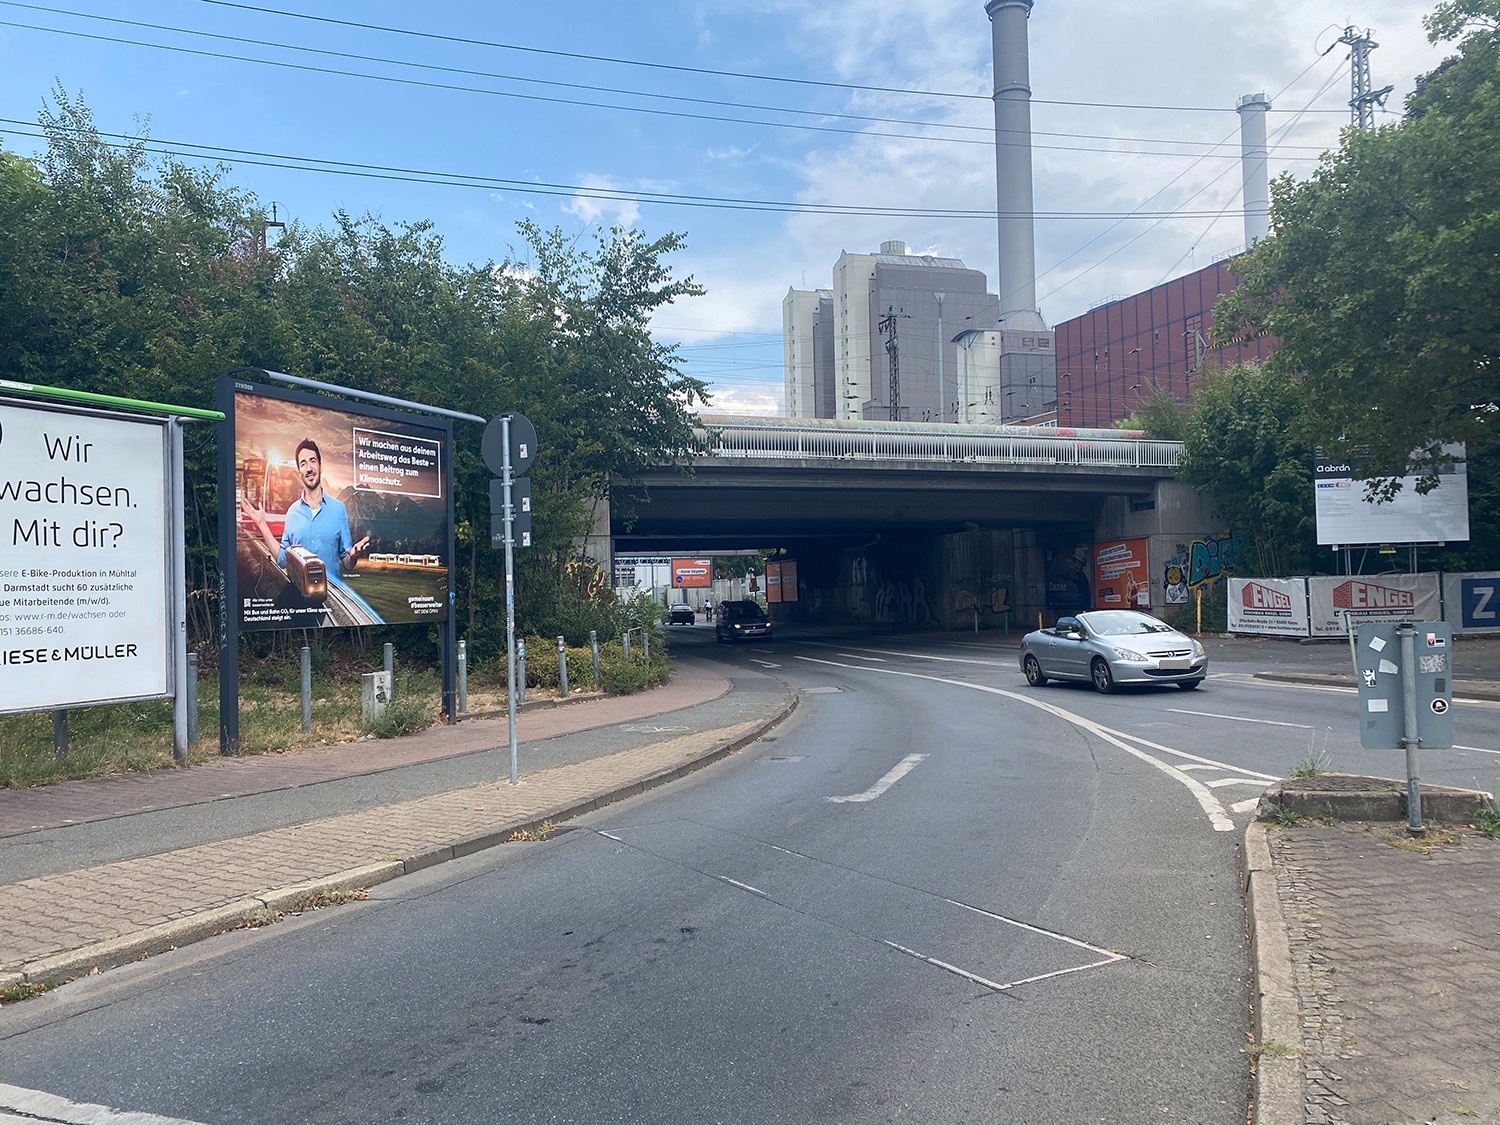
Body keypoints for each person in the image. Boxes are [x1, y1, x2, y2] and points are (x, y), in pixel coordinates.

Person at [240, 438, 370, 578]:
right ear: (299, 472)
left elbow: (347, 563)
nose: (309, 468)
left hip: (329, 591)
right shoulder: (292, 512)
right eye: (303, 463)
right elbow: (282, 560)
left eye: (313, 461)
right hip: (298, 591)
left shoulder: (339, 509)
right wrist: (261, 524)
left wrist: (353, 556)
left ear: (321, 466)